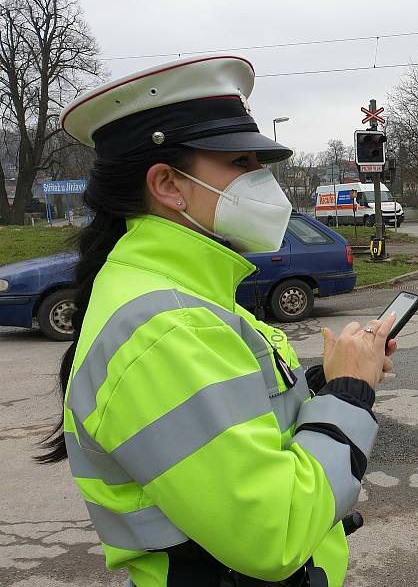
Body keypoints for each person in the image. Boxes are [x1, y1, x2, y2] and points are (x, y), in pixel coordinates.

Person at [37, 54, 396, 587]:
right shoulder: (165, 327)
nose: (262, 182)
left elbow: (238, 420)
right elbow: (275, 532)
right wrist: (348, 396)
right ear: (167, 185)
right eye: (241, 164)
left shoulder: (185, 292)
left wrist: (332, 379)